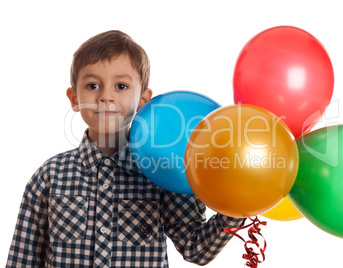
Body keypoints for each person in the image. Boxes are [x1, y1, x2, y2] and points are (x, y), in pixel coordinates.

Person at [6, 30, 245, 267]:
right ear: (74, 98)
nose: (105, 96)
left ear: (143, 100)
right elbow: (22, 260)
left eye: (120, 86)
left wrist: (239, 205)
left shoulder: (163, 171)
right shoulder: (49, 176)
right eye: (92, 85)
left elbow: (196, 249)